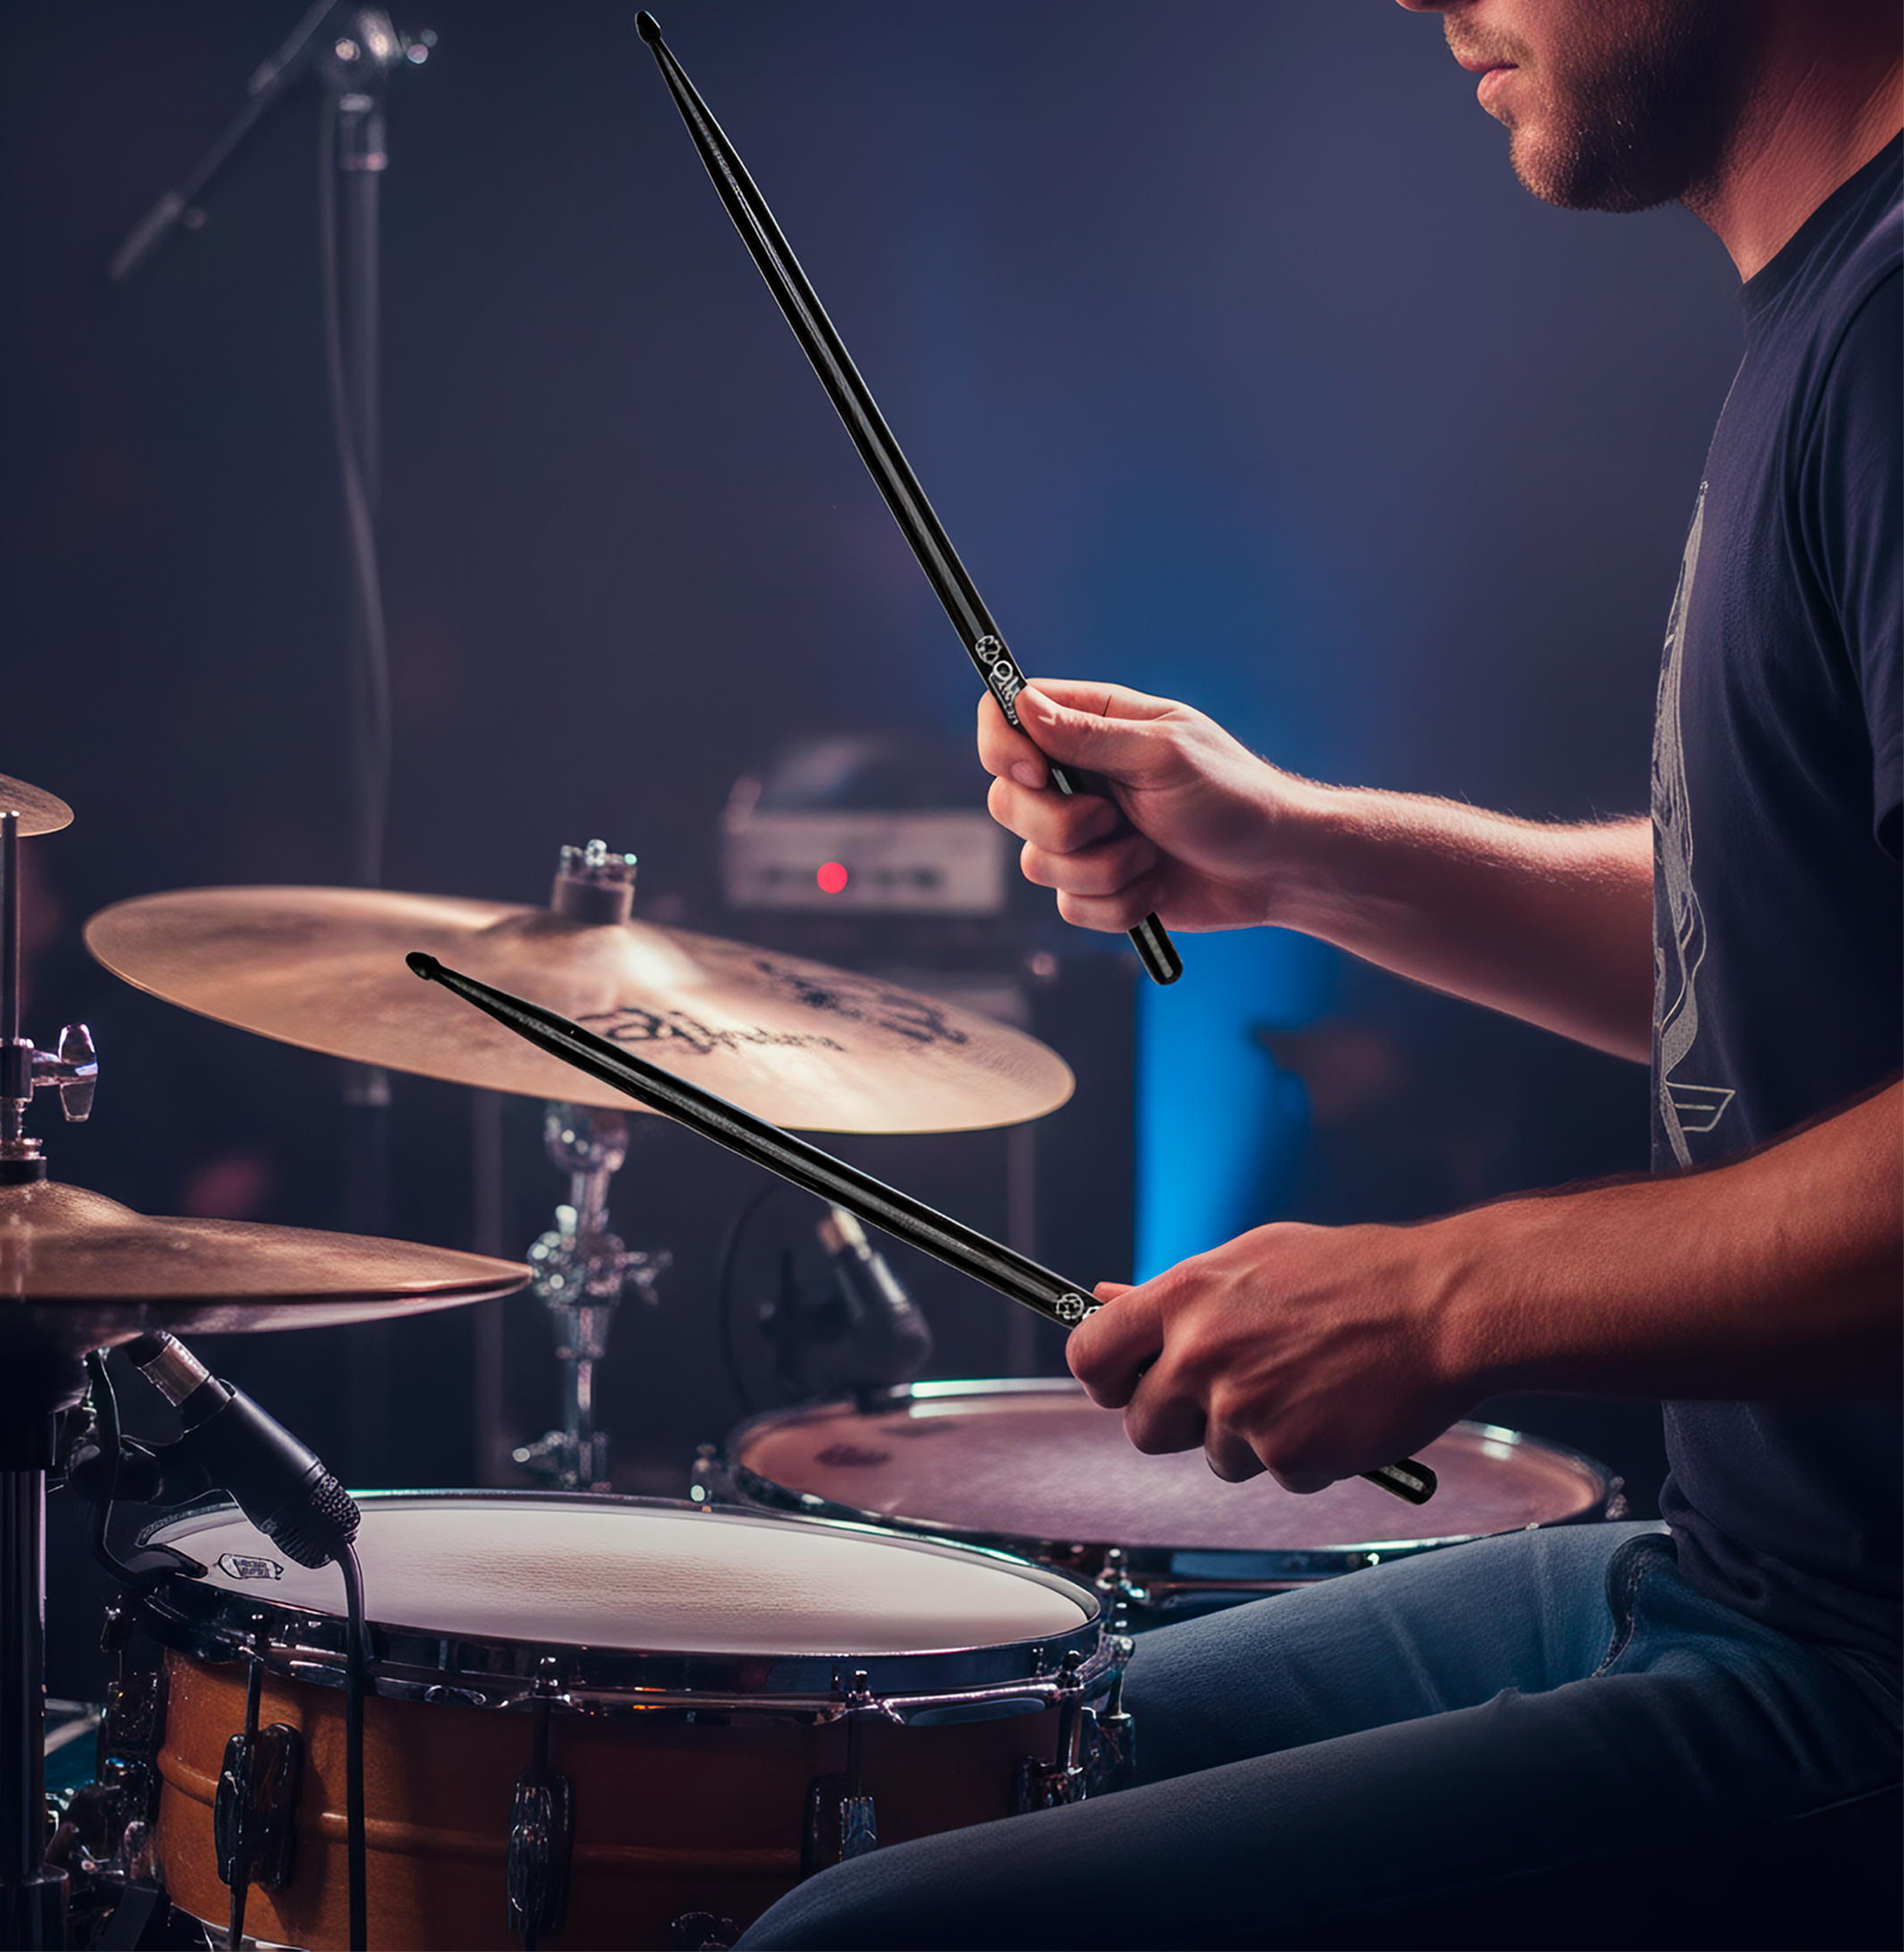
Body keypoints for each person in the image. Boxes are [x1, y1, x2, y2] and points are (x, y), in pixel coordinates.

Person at [733, 2, 1904, 1944]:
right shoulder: (1826, 302)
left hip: (1857, 1666)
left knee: (849, 1937)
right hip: (1728, 1568)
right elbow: (1772, 941)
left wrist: (1441, 1291)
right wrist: (1289, 847)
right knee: (848, 1784)